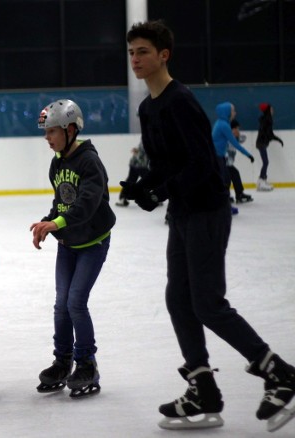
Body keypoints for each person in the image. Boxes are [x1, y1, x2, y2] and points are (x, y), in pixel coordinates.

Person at [124, 20, 295, 432]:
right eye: (131, 53)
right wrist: (142, 186)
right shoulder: (148, 108)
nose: (135, 59)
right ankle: (202, 387)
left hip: (207, 210)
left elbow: (203, 164)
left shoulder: (180, 100)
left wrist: (160, 192)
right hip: (182, 213)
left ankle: (280, 374)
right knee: (178, 299)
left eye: (143, 51)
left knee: (207, 303)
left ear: (164, 55)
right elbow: (166, 163)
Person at [30, 99, 115, 398]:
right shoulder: (58, 163)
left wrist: (57, 224)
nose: (47, 138)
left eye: (51, 131)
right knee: (61, 304)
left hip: (92, 243)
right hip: (68, 244)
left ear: (69, 129)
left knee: (76, 302)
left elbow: (87, 205)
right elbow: (62, 204)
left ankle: (87, 363)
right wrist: (47, 222)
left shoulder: (89, 161)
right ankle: (62, 361)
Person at [212, 102, 254, 215]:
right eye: (233, 110)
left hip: (218, 156)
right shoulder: (223, 125)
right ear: (227, 112)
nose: (235, 113)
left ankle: (223, 205)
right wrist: (248, 155)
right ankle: (223, 207)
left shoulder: (222, 123)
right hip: (216, 157)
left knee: (225, 180)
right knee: (224, 181)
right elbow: (235, 143)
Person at [256, 103, 284, 192]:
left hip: (262, 143)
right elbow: (269, 134)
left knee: (266, 162)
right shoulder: (267, 120)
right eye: (271, 109)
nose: (273, 110)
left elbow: (269, 133)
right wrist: (277, 139)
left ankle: (263, 180)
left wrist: (276, 139)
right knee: (266, 162)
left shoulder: (266, 119)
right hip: (261, 143)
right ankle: (261, 181)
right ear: (268, 110)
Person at [115, 139, 149, 207]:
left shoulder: (147, 137)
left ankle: (123, 198)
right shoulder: (148, 138)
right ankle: (153, 197)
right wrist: (137, 152)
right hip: (140, 164)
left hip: (137, 163)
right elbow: (142, 151)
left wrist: (137, 152)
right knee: (148, 181)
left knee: (132, 180)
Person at [227, 119, 253, 204]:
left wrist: (237, 136)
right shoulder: (227, 137)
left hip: (227, 163)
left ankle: (232, 195)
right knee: (232, 175)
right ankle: (238, 194)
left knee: (230, 176)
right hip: (224, 162)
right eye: (236, 129)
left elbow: (242, 139)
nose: (238, 131)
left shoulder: (233, 138)